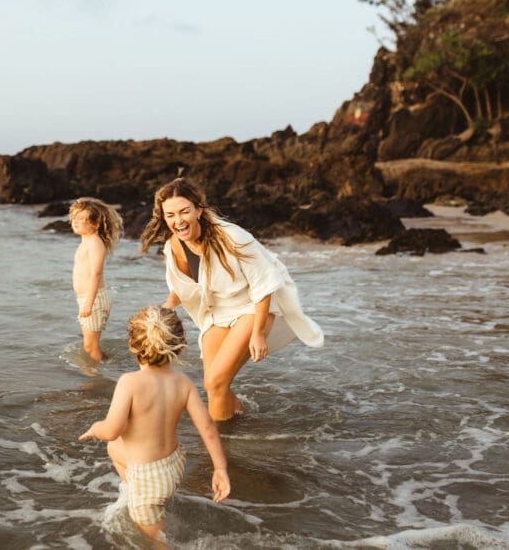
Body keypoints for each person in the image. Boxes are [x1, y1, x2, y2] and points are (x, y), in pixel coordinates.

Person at [139, 178, 324, 421]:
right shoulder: (175, 245)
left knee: (216, 383)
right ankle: (239, 426)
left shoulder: (232, 237)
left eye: (184, 211)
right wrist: (163, 311)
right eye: (170, 215)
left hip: (253, 305)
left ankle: (218, 440)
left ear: (198, 210)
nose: (178, 220)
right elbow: (182, 287)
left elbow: (264, 283)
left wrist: (258, 333)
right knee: (214, 384)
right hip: (219, 311)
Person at [79, 306, 230, 542]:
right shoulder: (183, 382)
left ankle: (146, 499)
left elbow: (111, 431)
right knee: (115, 448)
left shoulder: (129, 382)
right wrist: (220, 469)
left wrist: (96, 428)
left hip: (148, 477)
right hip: (175, 464)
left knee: (155, 543)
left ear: (132, 345)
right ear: (179, 346)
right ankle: (142, 492)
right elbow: (208, 428)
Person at [70, 197, 123, 363]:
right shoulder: (86, 241)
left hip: (94, 299)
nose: (75, 221)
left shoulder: (94, 243)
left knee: (90, 347)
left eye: (81, 218)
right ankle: (106, 366)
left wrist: (89, 303)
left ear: (95, 223)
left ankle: (96, 376)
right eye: (74, 217)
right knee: (91, 345)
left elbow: (96, 274)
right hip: (87, 298)